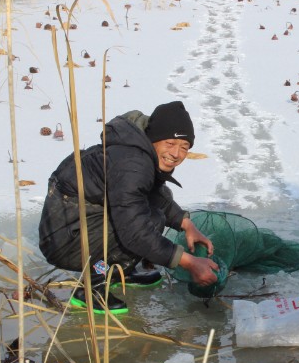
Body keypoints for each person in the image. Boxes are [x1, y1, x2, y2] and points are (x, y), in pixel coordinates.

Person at [39, 101, 219, 314]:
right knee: (146, 222)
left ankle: (118, 272)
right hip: (65, 239)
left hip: (78, 224)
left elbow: (151, 194)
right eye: (170, 143)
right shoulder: (132, 163)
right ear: (155, 139)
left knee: (150, 215)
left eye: (184, 147)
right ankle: (92, 287)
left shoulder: (138, 152)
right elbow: (135, 231)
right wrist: (188, 262)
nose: (176, 154)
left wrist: (186, 224)